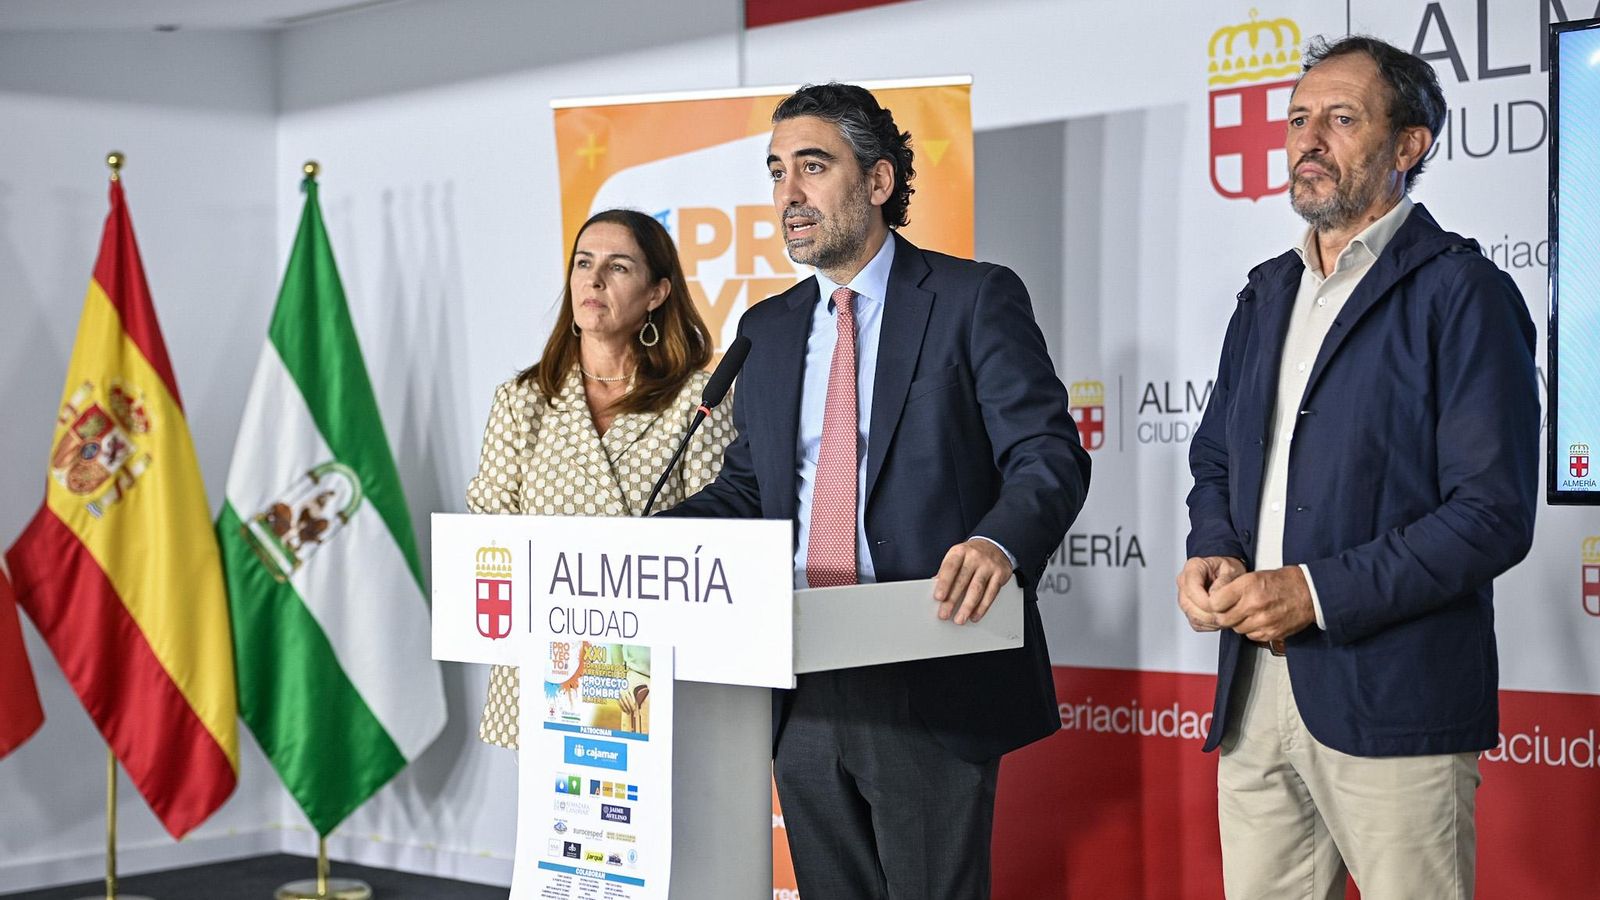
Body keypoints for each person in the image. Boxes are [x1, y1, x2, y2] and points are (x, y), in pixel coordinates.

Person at [661, 83, 1089, 899]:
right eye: (777, 172)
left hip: (926, 663)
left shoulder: (972, 299)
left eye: (813, 167)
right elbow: (750, 492)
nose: (789, 193)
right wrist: (641, 539)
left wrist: (997, 541)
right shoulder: (767, 329)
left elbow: (1046, 454)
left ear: (879, 180)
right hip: (798, 674)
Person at [1178, 36, 1539, 899]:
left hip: (1397, 704)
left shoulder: (1463, 292)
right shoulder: (1265, 293)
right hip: (1255, 695)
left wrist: (1315, 592)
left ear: (1408, 145)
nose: (1308, 140)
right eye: (1298, 119)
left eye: (1340, 119)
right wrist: (1212, 548)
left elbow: (1491, 514)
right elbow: (1216, 458)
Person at [467, 208, 736, 749]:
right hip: (549, 666)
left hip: (650, 671)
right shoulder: (523, 400)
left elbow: (717, 540)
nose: (593, 280)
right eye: (583, 263)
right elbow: (490, 535)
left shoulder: (698, 399)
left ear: (656, 293)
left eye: (617, 267)